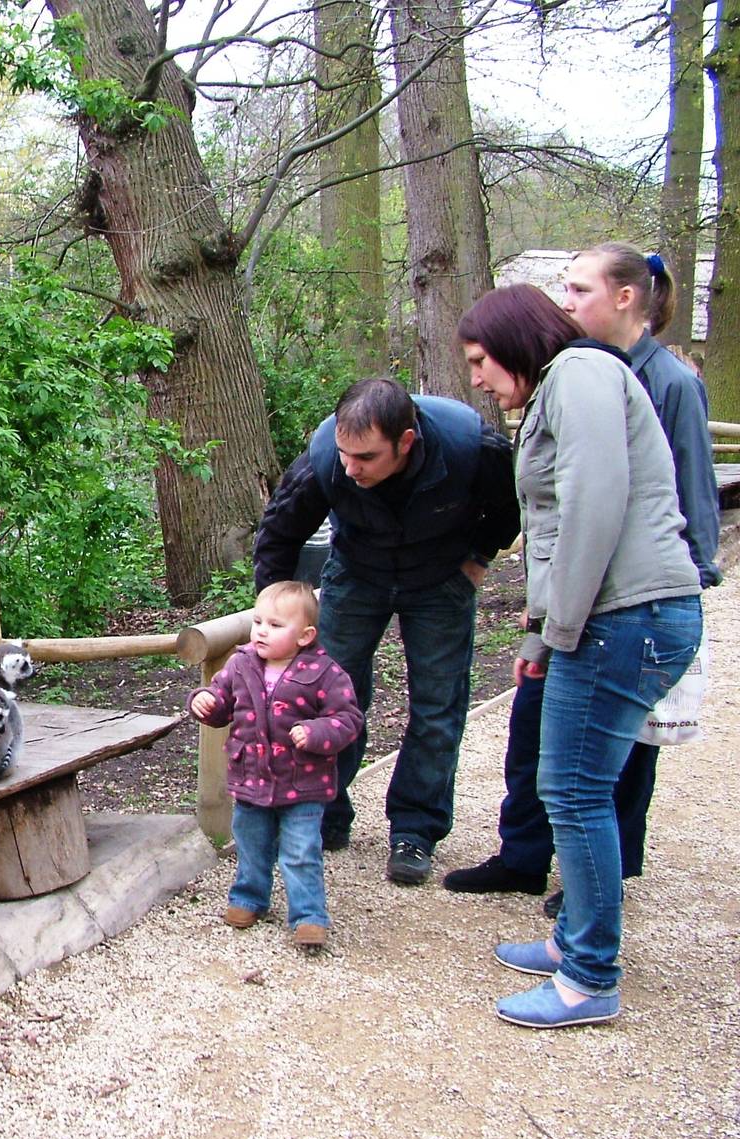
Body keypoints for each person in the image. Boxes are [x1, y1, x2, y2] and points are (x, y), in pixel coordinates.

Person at [444, 245, 721, 914]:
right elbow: (552, 530)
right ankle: (572, 931)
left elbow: (593, 507)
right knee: (566, 782)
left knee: (580, 789)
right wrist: (541, 632)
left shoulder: (582, 374)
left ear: (513, 341)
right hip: (600, 615)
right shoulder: (562, 384)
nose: (476, 379)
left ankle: (588, 954)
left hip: (624, 615)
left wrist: (558, 630)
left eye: (480, 361)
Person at [254, 379, 520, 885]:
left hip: (441, 576)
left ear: (406, 442)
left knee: (438, 707)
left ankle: (415, 829)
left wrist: (478, 557)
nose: (351, 468)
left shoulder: (469, 446)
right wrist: (272, 620)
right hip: (357, 573)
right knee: (326, 696)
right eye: (345, 455)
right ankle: (324, 812)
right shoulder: (325, 458)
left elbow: (510, 505)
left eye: (366, 458)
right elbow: (280, 533)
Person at [188, 581, 363, 953]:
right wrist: (205, 701)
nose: (262, 631)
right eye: (258, 622)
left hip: (303, 784)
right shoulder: (241, 664)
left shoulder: (325, 673)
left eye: (275, 625)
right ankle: (249, 898)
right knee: (251, 843)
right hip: (250, 777)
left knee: (300, 851)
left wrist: (316, 732)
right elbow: (222, 702)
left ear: (305, 635)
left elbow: (348, 719)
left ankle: (309, 915)